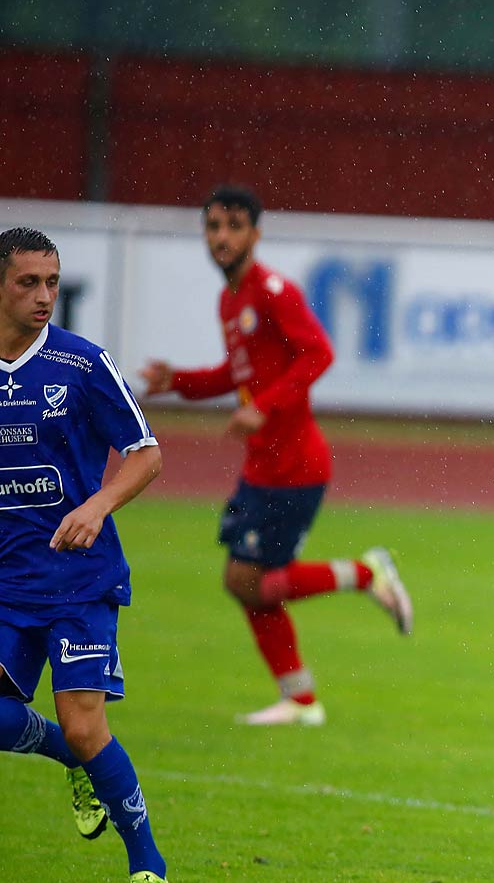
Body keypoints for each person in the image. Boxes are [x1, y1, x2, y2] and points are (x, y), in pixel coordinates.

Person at [139, 185, 412, 727]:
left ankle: (364, 573)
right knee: (245, 584)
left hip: (294, 468)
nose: (221, 237)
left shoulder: (272, 290)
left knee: (254, 581)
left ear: (256, 234)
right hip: (262, 465)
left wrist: (263, 407)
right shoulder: (231, 299)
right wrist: (181, 382)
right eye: (213, 226)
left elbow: (320, 352)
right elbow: (235, 373)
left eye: (233, 226)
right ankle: (300, 700)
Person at [0, 227, 171, 883]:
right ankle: (73, 762)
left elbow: (147, 453)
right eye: (27, 283)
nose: (44, 296)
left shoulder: (80, 364)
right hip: (9, 584)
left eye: (52, 282)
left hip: (80, 580)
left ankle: (148, 870)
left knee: (83, 722)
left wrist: (99, 503)